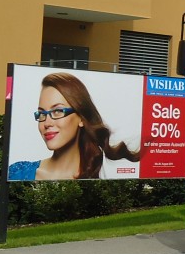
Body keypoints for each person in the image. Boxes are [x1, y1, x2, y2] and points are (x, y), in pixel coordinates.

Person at [8, 72, 141, 180]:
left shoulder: (94, 177)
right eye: (42, 113)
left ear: (81, 118)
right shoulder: (17, 173)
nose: (47, 123)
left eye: (58, 111)